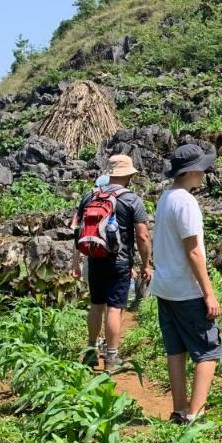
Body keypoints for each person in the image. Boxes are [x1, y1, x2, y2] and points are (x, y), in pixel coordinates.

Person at [152, 144, 222, 424]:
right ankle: (196, 414)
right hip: (186, 289)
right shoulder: (187, 203)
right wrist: (209, 293)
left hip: (165, 287)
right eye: (202, 169)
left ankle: (179, 411)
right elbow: (193, 251)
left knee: (176, 349)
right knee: (208, 351)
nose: (205, 173)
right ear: (192, 171)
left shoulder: (166, 198)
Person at [71, 154, 152, 372]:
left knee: (96, 305)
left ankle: (90, 351)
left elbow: (77, 229)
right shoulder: (132, 199)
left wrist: (76, 260)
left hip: (95, 257)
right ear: (128, 176)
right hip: (119, 261)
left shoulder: (89, 196)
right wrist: (146, 264)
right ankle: (112, 358)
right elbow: (143, 236)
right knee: (115, 309)